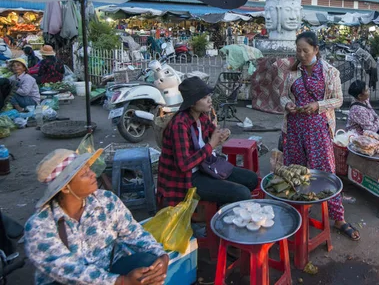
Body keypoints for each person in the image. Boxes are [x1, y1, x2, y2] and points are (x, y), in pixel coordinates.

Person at [24, 148, 169, 285]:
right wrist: (120, 281)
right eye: (84, 174)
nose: (93, 174)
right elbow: (70, 271)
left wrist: (162, 256)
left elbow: (134, 233)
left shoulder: (106, 200)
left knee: (151, 266)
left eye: (89, 169)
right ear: (65, 187)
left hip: (110, 269)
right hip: (70, 281)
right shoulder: (39, 226)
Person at [281, 31, 360, 241]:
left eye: (305, 50)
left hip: (318, 128)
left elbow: (338, 100)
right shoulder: (292, 71)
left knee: (326, 172)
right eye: (298, 50)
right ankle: (296, 211)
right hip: (295, 127)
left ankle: (338, 217)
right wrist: (288, 104)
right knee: (295, 170)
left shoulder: (330, 72)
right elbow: (283, 96)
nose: (301, 54)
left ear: (316, 50)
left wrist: (318, 105)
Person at [156, 77, 258, 208]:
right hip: (188, 179)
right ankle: (221, 218)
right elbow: (183, 165)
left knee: (251, 179)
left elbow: (214, 133)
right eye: (204, 98)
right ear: (192, 103)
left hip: (205, 168)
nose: (210, 100)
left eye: (209, 96)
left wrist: (223, 134)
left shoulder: (202, 117)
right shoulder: (180, 125)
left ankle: (219, 204)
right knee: (242, 193)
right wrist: (211, 145)